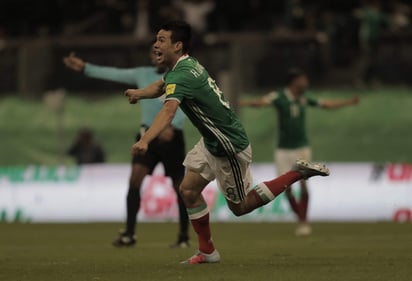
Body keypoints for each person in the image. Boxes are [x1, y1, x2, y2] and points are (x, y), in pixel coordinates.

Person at [124, 20, 330, 264]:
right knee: (188, 190)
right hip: (212, 141)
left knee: (240, 207)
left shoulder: (181, 75)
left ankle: (296, 173)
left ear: (177, 46)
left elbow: (169, 111)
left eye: (161, 40)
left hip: (228, 146)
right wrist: (139, 93)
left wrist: (145, 140)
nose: (155, 44)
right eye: (156, 39)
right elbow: (161, 85)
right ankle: (208, 252)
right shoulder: (185, 65)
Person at [63, 45, 190, 248]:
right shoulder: (142, 74)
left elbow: (187, 102)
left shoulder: (181, 75)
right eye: (153, 52)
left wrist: (173, 125)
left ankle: (183, 236)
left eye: (160, 52)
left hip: (171, 136)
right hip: (147, 136)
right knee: (134, 179)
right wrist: (85, 67)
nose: (156, 55)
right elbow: (114, 73)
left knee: (181, 187)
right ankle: (129, 234)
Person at [240, 68, 359, 236]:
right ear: (294, 81)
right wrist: (241, 103)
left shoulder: (304, 98)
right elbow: (262, 103)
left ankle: (303, 220)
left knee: (303, 183)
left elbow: (326, 105)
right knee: (285, 187)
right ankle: (300, 218)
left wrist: (348, 102)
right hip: (283, 150)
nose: (306, 82)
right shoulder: (280, 97)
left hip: (301, 147)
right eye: (303, 79)